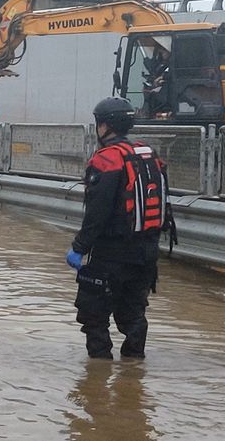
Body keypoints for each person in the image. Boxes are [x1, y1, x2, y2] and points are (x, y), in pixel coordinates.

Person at [65, 97, 172, 360]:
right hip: (146, 253)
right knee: (134, 315)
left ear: (104, 126)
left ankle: (98, 383)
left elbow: (97, 213)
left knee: (93, 315)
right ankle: (133, 376)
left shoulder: (106, 160)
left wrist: (79, 248)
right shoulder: (148, 154)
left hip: (111, 254)